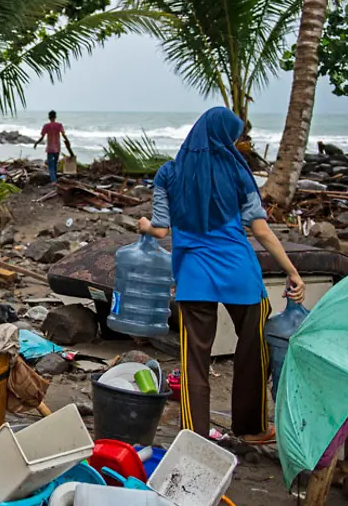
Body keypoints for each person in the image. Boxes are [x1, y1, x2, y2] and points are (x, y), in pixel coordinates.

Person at [137, 107, 305, 443]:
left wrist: (143, 225)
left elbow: (159, 229)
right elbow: (261, 230)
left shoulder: (168, 173)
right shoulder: (238, 171)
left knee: (195, 361)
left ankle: (194, 438)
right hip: (240, 276)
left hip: (193, 277)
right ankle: (252, 429)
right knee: (253, 350)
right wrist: (291, 271)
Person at [33, 110, 71, 184]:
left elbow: (42, 137)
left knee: (50, 165)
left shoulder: (46, 126)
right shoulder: (59, 125)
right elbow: (63, 135)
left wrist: (36, 143)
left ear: (49, 117)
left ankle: (53, 181)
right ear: (55, 117)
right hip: (57, 147)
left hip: (50, 148)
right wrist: (67, 141)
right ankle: (55, 179)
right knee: (55, 164)